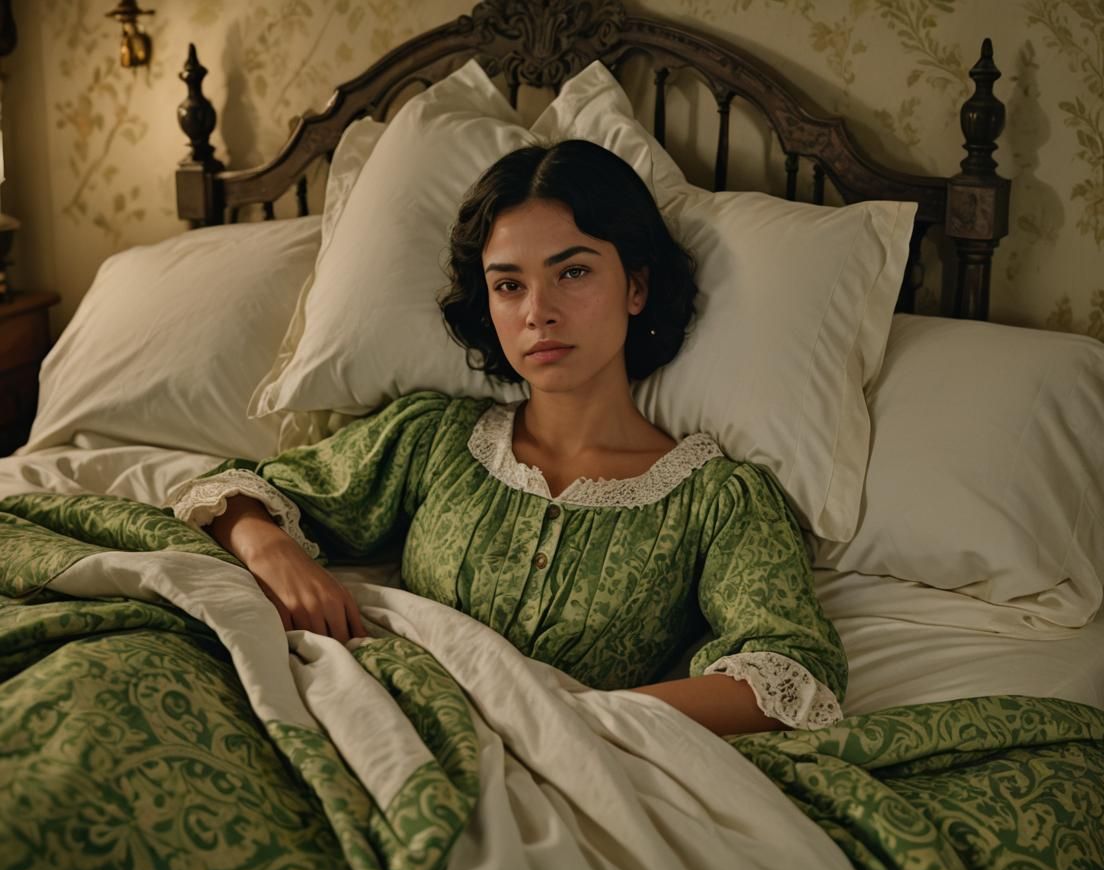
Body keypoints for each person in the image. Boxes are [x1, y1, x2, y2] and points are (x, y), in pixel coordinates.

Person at [169, 139, 846, 738]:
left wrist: (586, 723)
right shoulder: (432, 438)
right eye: (508, 285)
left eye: (573, 272)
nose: (538, 313)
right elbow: (234, 495)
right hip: (352, 722)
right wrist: (276, 550)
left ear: (636, 286)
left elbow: (789, 670)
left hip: (568, 767)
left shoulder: (717, 499)